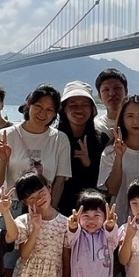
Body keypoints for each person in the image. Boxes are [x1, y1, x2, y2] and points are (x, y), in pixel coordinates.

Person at [0, 85, 72, 214]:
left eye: (49, 109)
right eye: (38, 106)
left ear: (55, 113)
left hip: (44, 206)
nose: (42, 113)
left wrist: (50, 212)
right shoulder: (5, 135)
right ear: (29, 105)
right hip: (12, 207)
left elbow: (59, 182)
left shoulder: (60, 139)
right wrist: (3, 160)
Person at [100, 95, 139, 216]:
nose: (136, 121)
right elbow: (112, 189)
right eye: (130, 116)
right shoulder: (110, 151)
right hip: (120, 217)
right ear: (122, 119)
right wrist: (119, 156)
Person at [56, 81, 110, 217]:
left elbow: (105, 184)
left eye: (85, 105)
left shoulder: (101, 139)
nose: (79, 109)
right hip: (56, 212)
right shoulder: (53, 138)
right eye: (73, 105)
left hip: (91, 214)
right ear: (64, 109)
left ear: (92, 109)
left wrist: (88, 164)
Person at [94, 67, 129, 135]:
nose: (112, 93)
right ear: (99, 96)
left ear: (126, 91)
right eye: (106, 90)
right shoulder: (96, 128)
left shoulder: (137, 123)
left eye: (116, 88)